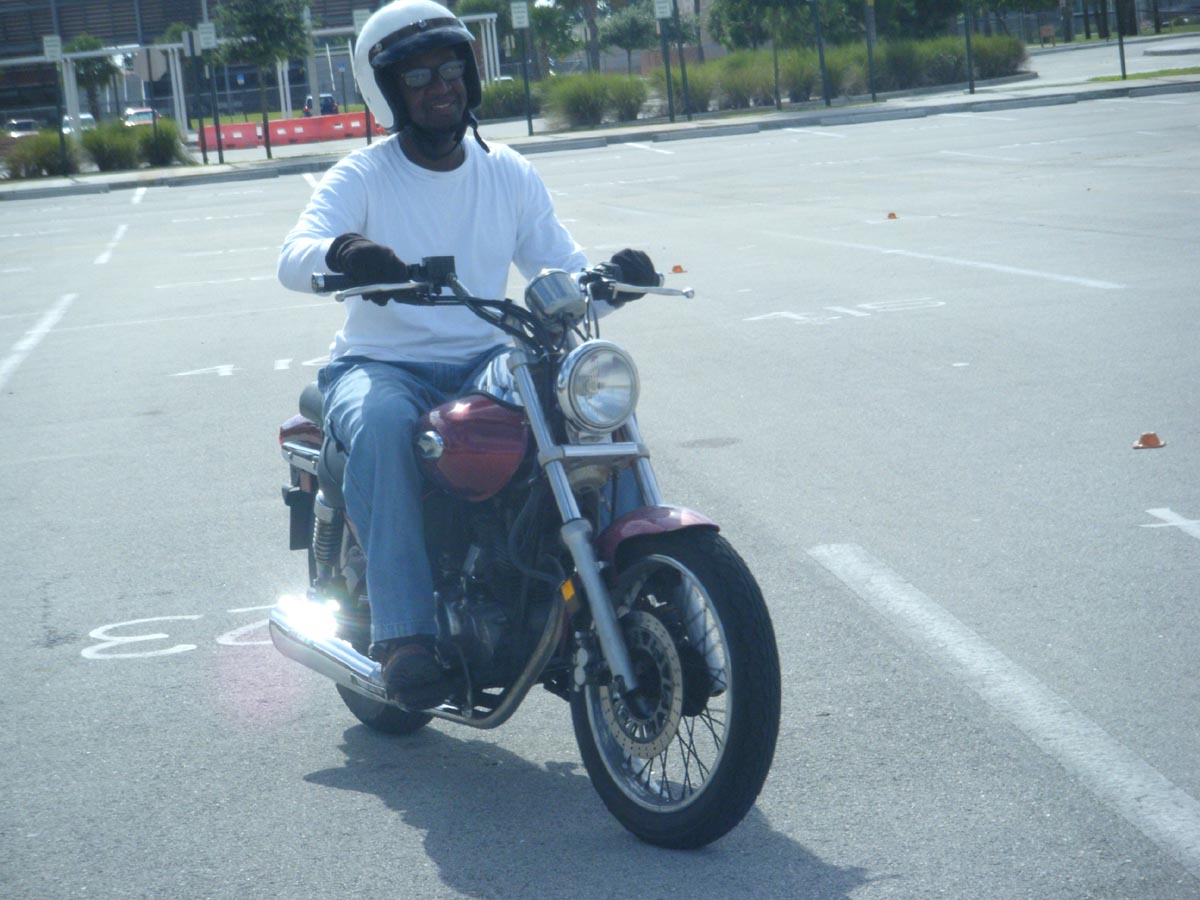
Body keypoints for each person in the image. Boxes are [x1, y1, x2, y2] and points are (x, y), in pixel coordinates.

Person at [277, 0, 657, 709]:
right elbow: (293, 256)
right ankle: (405, 637)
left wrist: (611, 283)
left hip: (486, 358)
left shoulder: (506, 171)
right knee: (384, 424)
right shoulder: (362, 176)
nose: (440, 86)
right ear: (389, 92)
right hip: (379, 364)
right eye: (418, 75)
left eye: (451, 68)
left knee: (583, 397)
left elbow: (559, 273)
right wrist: (346, 251)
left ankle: (646, 579)